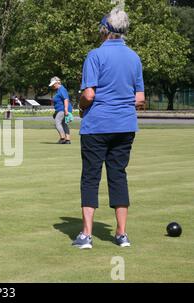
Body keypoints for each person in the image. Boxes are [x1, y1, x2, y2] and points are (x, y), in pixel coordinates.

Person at [72, 8, 145, 249]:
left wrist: (80, 106)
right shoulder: (134, 58)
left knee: (91, 178)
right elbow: (140, 99)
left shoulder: (95, 55)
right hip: (125, 125)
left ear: (105, 30)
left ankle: (86, 235)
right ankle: (121, 234)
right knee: (118, 176)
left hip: (97, 125)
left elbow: (89, 94)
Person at [49, 76, 72, 144]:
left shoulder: (62, 89)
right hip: (60, 109)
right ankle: (67, 140)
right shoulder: (59, 90)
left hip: (63, 109)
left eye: (53, 85)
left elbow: (66, 99)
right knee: (63, 124)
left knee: (57, 122)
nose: (52, 86)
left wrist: (65, 109)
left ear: (57, 83)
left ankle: (62, 138)